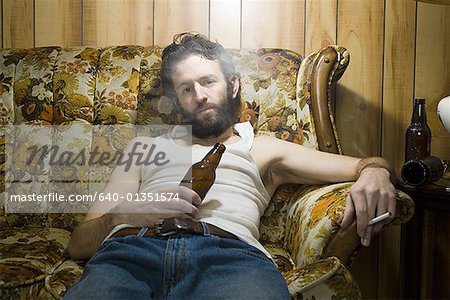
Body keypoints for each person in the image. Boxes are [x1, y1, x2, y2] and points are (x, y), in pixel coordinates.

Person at [64, 33, 396, 299]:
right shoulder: (144, 148)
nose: (199, 95)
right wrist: (125, 214)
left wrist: (376, 172)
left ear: (233, 84)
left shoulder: (264, 148)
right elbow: (78, 243)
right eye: (186, 88)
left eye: (208, 81)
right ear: (176, 100)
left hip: (227, 259)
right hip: (130, 254)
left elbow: (364, 165)